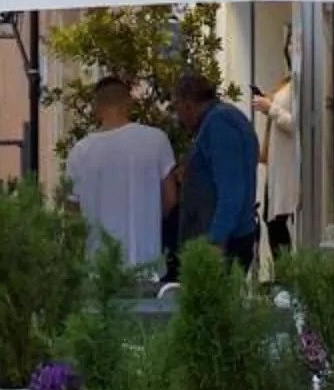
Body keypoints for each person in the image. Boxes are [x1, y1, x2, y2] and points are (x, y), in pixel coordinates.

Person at [63, 77, 174, 272]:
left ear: (96, 108)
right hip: (147, 265)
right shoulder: (156, 140)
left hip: (99, 269)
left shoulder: (80, 152)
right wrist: (147, 215)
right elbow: (170, 198)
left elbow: (72, 215)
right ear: (128, 103)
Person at [170, 71, 261, 270]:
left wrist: (216, 240)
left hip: (223, 243)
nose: (177, 115)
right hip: (226, 238)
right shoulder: (223, 119)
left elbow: (232, 187)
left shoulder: (219, 124)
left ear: (187, 104)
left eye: (176, 106)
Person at [251, 67, 300, 259]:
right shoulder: (287, 80)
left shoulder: (300, 84)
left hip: (288, 165)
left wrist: (271, 108)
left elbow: (297, 123)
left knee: (277, 222)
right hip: (276, 164)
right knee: (271, 220)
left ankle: (285, 275)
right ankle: (282, 274)